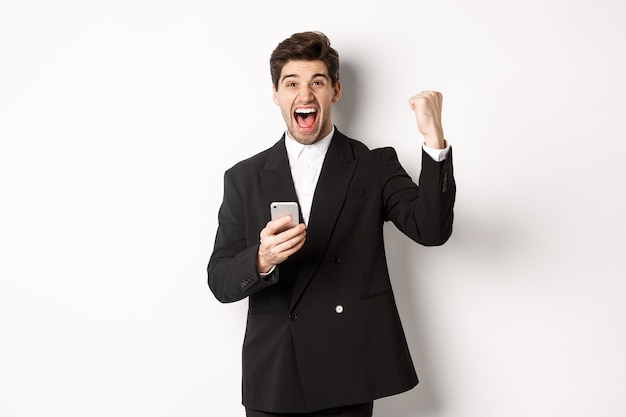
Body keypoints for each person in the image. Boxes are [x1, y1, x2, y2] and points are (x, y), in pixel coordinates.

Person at [207, 31, 456, 417]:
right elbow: (220, 281)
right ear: (276, 94)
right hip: (274, 376)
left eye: (317, 83)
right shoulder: (244, 177)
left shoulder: (373, 165)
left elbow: (431, 229)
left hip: (347, 371)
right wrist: (261, 258)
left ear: (335, 91)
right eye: (292, 83)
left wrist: (433, 140)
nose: (304, 95)